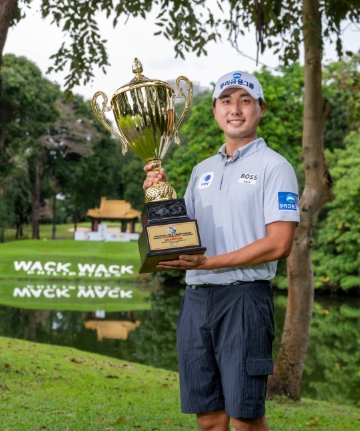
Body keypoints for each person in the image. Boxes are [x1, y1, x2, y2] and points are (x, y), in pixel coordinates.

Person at [143, 71, 300, 431]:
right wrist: (156, 197)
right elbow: (180, 234)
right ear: (215, 110)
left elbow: (280, 243)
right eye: (226, 101)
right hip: (196, 299)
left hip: (244, 299)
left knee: (245, 417)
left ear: (260, 108)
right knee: (209, 418)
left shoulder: (275, 167)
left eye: (245, 100)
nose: (235, 109)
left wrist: (210, 262)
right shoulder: (202, 170)